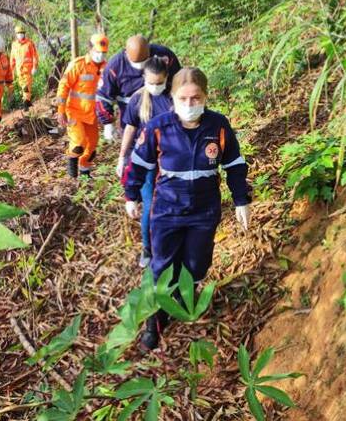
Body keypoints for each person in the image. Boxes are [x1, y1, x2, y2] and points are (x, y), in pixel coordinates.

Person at [123, 67, 252, 351]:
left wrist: (241, 199)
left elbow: (234, 164)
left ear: (205, 97)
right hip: (167, 211)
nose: (190, 104)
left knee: (197, 264)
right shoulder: (158, 128)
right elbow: (139, 163)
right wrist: (131, 194)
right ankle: (155, 322)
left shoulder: (218, 126)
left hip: (204, 211)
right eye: (183, 98)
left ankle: (184, 302)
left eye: (196, 98)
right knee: (162, 267)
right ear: (172, 97)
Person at [117, 56, 173, 269]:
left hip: (171, 160)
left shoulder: (173, 97)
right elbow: (130, 128)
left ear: (166, 78)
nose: (156, 86)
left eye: (160, 82)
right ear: (144, 78)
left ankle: (169, 243)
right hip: (146, 161)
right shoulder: (138, 100)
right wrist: (122, 157)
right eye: (151, 82)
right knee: (151, 204)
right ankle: (148, 248)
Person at [96, 34, 181, 140]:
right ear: (126, 54)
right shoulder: (115, 66)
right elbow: (103, 96)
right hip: (131, 116)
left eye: (144, 62)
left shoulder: (165, 56)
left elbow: (179, 82)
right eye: (136, 63)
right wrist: (107, 122)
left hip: (162, 111)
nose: (140, 67)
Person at [57, 33, 109, 178]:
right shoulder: (78, 65)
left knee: (92, 146)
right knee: (78, 143)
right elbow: (63, 86)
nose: (100, 55)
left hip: (92, 115)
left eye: (103, 53)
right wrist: (60, 110)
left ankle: (85, 173)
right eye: (98, 51)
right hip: (74, 112)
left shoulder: (106, 68)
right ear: (90, 48)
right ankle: (71, 167)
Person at [10, 24, 39, 109]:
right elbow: (12, 58)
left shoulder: (29, 43)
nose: (20, 34)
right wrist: (11, 71)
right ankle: (28, 101)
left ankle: (25, 103)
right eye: (19, 33)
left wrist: (34, 67)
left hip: (28, 70)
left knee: (26, 85)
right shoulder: (14, 45)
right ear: (16, 34)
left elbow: (35, 56)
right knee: (23, 86)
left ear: (24, 33)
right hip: (19, 71)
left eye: (22, 33)